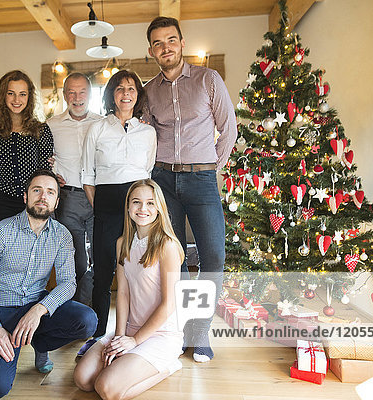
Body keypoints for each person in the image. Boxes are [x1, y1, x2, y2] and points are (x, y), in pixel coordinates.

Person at [143, 16, 238, 362]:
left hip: (201, 180)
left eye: (171, 40)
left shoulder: (208, 79)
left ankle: (201, 332)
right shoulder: (148, 91)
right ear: (151, 50)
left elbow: (228, 130)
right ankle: (182, 329)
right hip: (163, 180)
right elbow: (146, 135)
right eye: (158, 43)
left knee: (213, 257)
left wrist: (212, 166)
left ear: (181, 44)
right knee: (175, 257)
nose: (165, 47)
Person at [0, 169, 98, 399]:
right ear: (25, 197)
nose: (42, 196)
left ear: (56, 202)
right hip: (1, 314)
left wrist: (39, 310)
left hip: (35, 306)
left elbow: (68, 283)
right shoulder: (0, 233)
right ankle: (6, 345)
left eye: (50, 192)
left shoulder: (62, 235)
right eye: (36, 190)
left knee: (87, 321)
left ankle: (38, 342)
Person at [73, 179, 184, 400]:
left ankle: (169, 365)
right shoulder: (123, 242)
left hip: (160, 334)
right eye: (137, 202)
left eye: (150, 203)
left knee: (106, 388)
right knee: (83, 379)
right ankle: (124, 361)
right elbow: (122, 293)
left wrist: (134, 342)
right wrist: (121, 337)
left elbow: (168, 304)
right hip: (129, 329)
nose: (143, 209)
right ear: (128, 207)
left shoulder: (167, 246)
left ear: (160, 208)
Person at [80, 70, 157, 354]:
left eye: (132, 88)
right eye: (120, 88)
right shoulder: (98, 128)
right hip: (107, 205)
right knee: (103, 272)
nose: (126, 93)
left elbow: (148, 172)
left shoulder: (148, 132)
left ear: (138, 95)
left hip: (140, 209)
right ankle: (98, 333)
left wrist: (142, 208)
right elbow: (88, 176)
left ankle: (136, 333)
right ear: (111, 94)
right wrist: (102, 208)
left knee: (140, 270)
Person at [47, 72, 103, 305]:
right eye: (71, 92)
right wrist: (51, 172)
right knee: (76, 260)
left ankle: (95, 313)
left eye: (82, 92)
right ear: (64, 94)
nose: (77, 97)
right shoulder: (51, 125)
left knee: (101, 258)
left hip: (100, 198)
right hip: (68, 198)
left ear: (90, 95)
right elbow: (43, 159)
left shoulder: (103, 123)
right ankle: (79, 312)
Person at [0, 70, 54, 223]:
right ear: (3, 95)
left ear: (29, 97)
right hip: (3, 202)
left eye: (22, 94)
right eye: (11, 93)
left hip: (33, 202)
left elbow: (45, 171)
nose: (17, 99)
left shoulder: (40, 129)